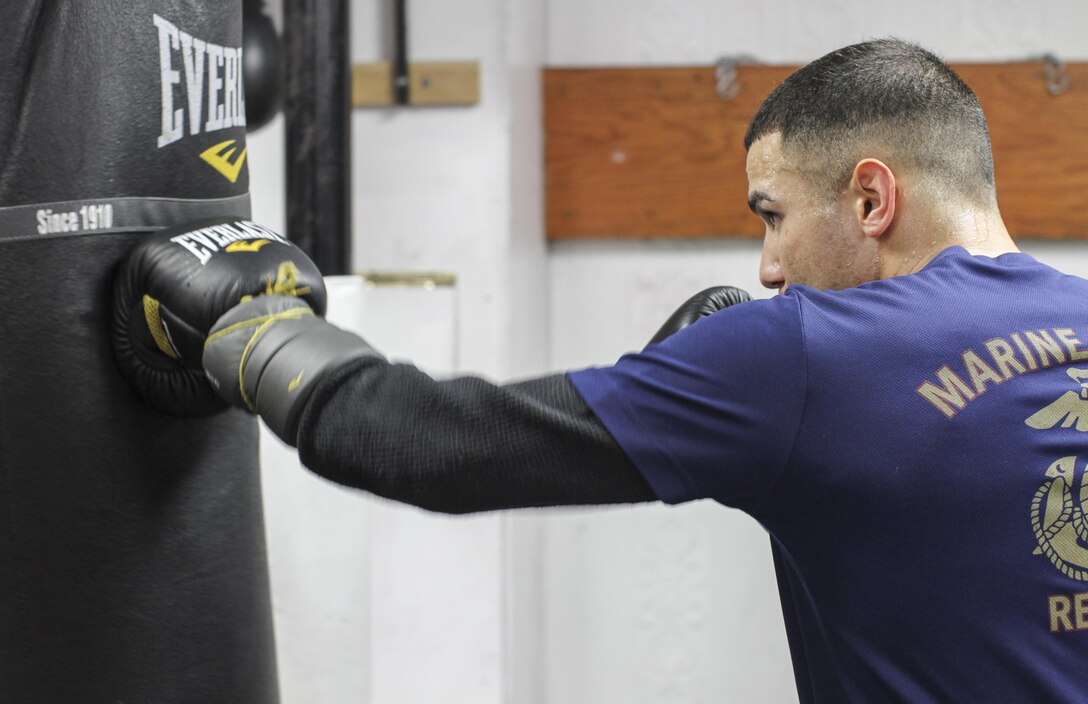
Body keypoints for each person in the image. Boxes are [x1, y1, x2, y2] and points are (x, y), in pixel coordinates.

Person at [117, 39, 1088, 702]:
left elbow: (417, 442)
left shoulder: (802, 351)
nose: (766, 268)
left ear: (870, 196)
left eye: (771, 214)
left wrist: (251, 323)